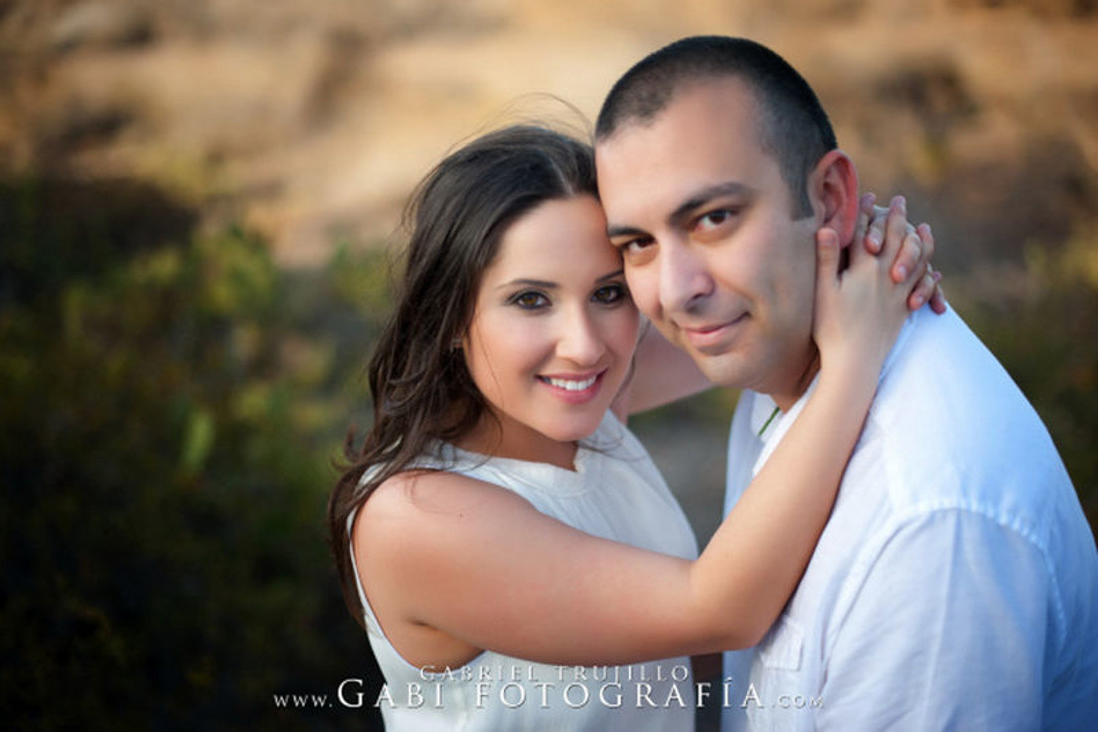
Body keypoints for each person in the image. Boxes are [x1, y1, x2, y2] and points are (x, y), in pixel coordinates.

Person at [328, 124, 938, 730]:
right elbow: (722, 611)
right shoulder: (417, 517)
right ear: (449, 315)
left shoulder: (582, 407)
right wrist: (854, 359)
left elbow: (758, 319)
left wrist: (867, 253)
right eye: (531, 300)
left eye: (609, 293)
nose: (584, 346)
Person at [593, 35, 1098, 731]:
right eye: (637, 244)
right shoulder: (781, 344)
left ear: (830, 199)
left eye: (713, 219)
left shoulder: (928, 522)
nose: (676, 290)